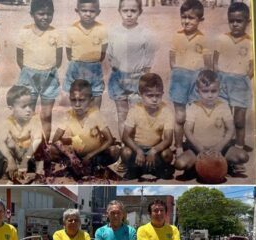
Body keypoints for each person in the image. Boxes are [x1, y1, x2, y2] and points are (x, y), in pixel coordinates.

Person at [174, 70, 248, 177]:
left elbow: (230, 129)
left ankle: (226, 164)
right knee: (180, 164)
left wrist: (219, 147)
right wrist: (200, 149)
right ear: (197, 90)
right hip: (198, 148)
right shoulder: (192, 107)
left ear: (219, 89)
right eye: (205, 91)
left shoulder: (223, 106)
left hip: (220, 148)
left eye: (214, 91)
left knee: (243, 156)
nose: (209, 95)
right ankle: (198, 165)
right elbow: (187, 130)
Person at [107, 0, 158, 142]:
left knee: (137, 116)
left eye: (133, 11)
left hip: (138, 79)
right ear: (119, 11)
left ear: (140, 12)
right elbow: (110, 56)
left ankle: (138, 148)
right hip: (118, 79)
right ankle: (125, 150)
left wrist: (144, 79)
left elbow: (149, 59)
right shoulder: (113, 32)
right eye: (125, 11)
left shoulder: (145, 34)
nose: (129, 15)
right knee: (122, 114)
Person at [169, 0, 212, 159]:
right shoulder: (177, 36)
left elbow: (208, 64)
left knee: (194, 116)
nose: (186, 21)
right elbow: (172, 58)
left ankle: (192, 145)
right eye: (184, 17)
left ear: (200, 20)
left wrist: (203, 79)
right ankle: (179, 146)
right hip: (179, 79)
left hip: (196, 80)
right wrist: (177, 70)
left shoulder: (204, 38)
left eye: (191, 18)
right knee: (180, 116)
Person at [214, 2, 253, 173]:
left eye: (239, 21)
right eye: (232, 21)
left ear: (248, 21)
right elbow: (215, 60)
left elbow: (253, 65)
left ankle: (239, 147)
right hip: (223, 81)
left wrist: (246, 77)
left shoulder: (251, 42)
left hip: (241, 82)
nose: (235, 24)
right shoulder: (222, 39)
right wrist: (217, 75)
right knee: (225, 118)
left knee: (239, 120)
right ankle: (226, 149)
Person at [51, 79, 120, 178]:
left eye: (82, 100)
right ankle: (73, 165)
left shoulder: (96, 114)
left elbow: (109, 139)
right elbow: (55, 139)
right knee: (52, 150)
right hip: (75, 155)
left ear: (91, 100)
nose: (77, 104)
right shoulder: (68, 115)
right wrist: (71, 156)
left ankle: (95, 167)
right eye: (73, 100)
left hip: (95, 155)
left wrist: (90, 155)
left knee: (115, 151)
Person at [16, 0, 62, 142]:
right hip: (29, 76)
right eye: (41, 13)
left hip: (50, 76)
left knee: (47, 114)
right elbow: (19, 57)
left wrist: (48, 71)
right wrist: (29, 71)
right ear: (32, 14)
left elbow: (58, 59)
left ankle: (44, 147)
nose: (45, 17)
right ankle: (25, 146)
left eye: (49, 14)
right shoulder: (24, 32)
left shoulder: (55, 33)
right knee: (27, 113)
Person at [121, 73, 174, 180]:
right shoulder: (135, 110)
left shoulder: (167, 111)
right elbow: (125, 137)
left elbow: (168, 140)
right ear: (141, 95)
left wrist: (154, 150)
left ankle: (157, 169)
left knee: (167, 154)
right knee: (125, 152)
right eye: (150, 95)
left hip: (155, 148)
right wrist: (138, 150)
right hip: (138, 148)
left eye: (158, 95)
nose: (154, 99)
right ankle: (135, 169)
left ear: (162, 94)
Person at [63, 0, 107, 108]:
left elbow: (103, 51)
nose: (88, 14)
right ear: (77, 11)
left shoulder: (101, 29)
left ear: (98, 12)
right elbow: (68, 51)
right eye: (84, 10)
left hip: (94, 66)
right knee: (74, 91)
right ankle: (75, 117)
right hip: (76, 66)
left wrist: (94, 62)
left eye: (92, 11)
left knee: (96, 91)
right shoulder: (71, 29)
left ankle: (95, 117)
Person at [0, 85, 45, 181]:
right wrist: (10, 160)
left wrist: (25, 160)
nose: (28, 109)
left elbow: (37, 139)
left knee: (40, 140)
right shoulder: (8, 122)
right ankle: (9, 169)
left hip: (32, 157)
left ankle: (39, 172)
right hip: (18, 157)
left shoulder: (34, 119)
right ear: (11, 108)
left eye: (30, 105)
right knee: (8, 142)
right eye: (24, 106)